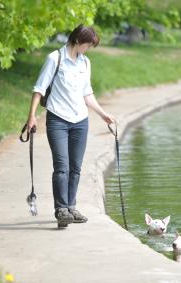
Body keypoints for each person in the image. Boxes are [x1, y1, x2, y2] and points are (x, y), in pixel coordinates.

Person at [26, 24, 114, 228]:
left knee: (75, 167)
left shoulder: (85, 62)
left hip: (80, 121)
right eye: (88, 44)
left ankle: (71, 206)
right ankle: (61, 209)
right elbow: (39, 89)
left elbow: (87, 93)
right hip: (58, 120)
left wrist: (103, 114)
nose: (89, 49)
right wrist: (31, 116)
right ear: (77, 41)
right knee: (62, 167)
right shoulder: (54, 59)